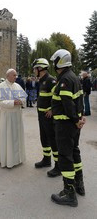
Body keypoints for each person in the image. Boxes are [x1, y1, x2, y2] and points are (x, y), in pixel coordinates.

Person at [50, 49, 86, 207]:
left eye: (54, 61)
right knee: (74, 151)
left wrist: (75, 119)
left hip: (65, 125)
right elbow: (79, 99)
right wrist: (80, 117)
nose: (53, 64)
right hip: (73, 124)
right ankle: (79, 185)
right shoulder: (74, 77)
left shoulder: (64, 79)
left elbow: (67, 103)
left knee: (65, 156)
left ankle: (69, 193)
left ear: (60, 61)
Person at [32, 58, 61, 177]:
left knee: (52, 139)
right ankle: (46, 160)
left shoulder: (51, 80)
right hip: (41, 115)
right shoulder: (42, 80)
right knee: (44, 138)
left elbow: (58, 96)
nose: (34, 70)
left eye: (35, 68)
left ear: (40, 68)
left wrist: (52, 110)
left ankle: (58, 166)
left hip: (48, 116)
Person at [0, 68, 27, 168]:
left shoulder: (17, 86)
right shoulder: (0, 86)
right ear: (8, 76)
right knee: (7, 137)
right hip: (6, 116)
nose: (16, 77)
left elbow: (24, 97)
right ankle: (6, 160)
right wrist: (13, 102)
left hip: (17, 115)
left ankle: (17, 159)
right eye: (14, 75)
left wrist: (21, 101)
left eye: (16, 75)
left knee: (16, 137)